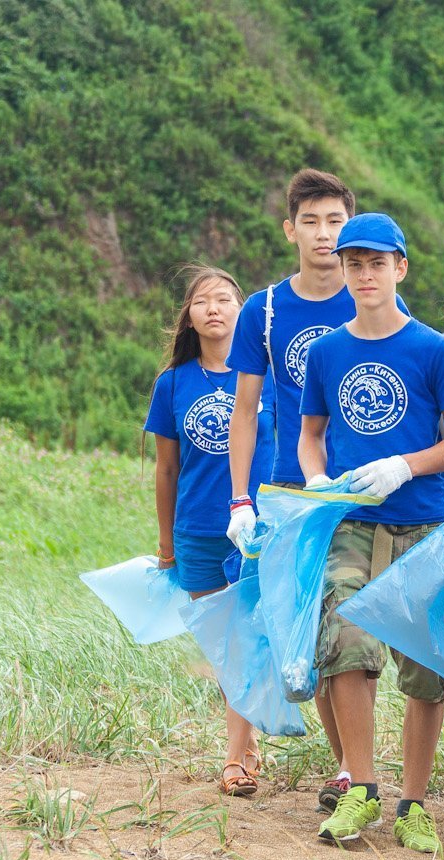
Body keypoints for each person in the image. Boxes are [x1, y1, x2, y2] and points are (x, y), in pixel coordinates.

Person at [297, 212, 444, 855]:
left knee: (425, 666)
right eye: (354, 264)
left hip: (423, 520)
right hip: (351, 521)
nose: (365, 274)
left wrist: (406, 465)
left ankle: (414, 804)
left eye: (377, 263)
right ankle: (362, 787)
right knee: (345, 642)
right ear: (342, 271)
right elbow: (311, 434)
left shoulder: (432, 349)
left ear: (400, 268)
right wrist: (317, 478)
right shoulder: (326, 352)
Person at [223, 168, 360, 814]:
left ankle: (351, 769)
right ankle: (343, 765)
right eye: (311, 221)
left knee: (343, 631)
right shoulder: (266, 309)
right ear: (290, 230)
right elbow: (244, 409)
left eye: (335, 221)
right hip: (288, 491)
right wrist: (240, 498)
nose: (324, 233)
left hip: (357, 490)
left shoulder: (369, 298)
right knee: (299, 633)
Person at [146, 265, 275, 796]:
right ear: (189, 318)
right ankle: (246, 740)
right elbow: (166, 470)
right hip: (196, 529)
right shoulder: (173, 383)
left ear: (243, 311)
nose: (214, 308)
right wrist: (166, 543)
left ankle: (234, 759)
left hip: (256, 529)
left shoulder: (267, 377)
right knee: (223, 648)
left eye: (224, 298)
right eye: (202, 301)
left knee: (241, 639)